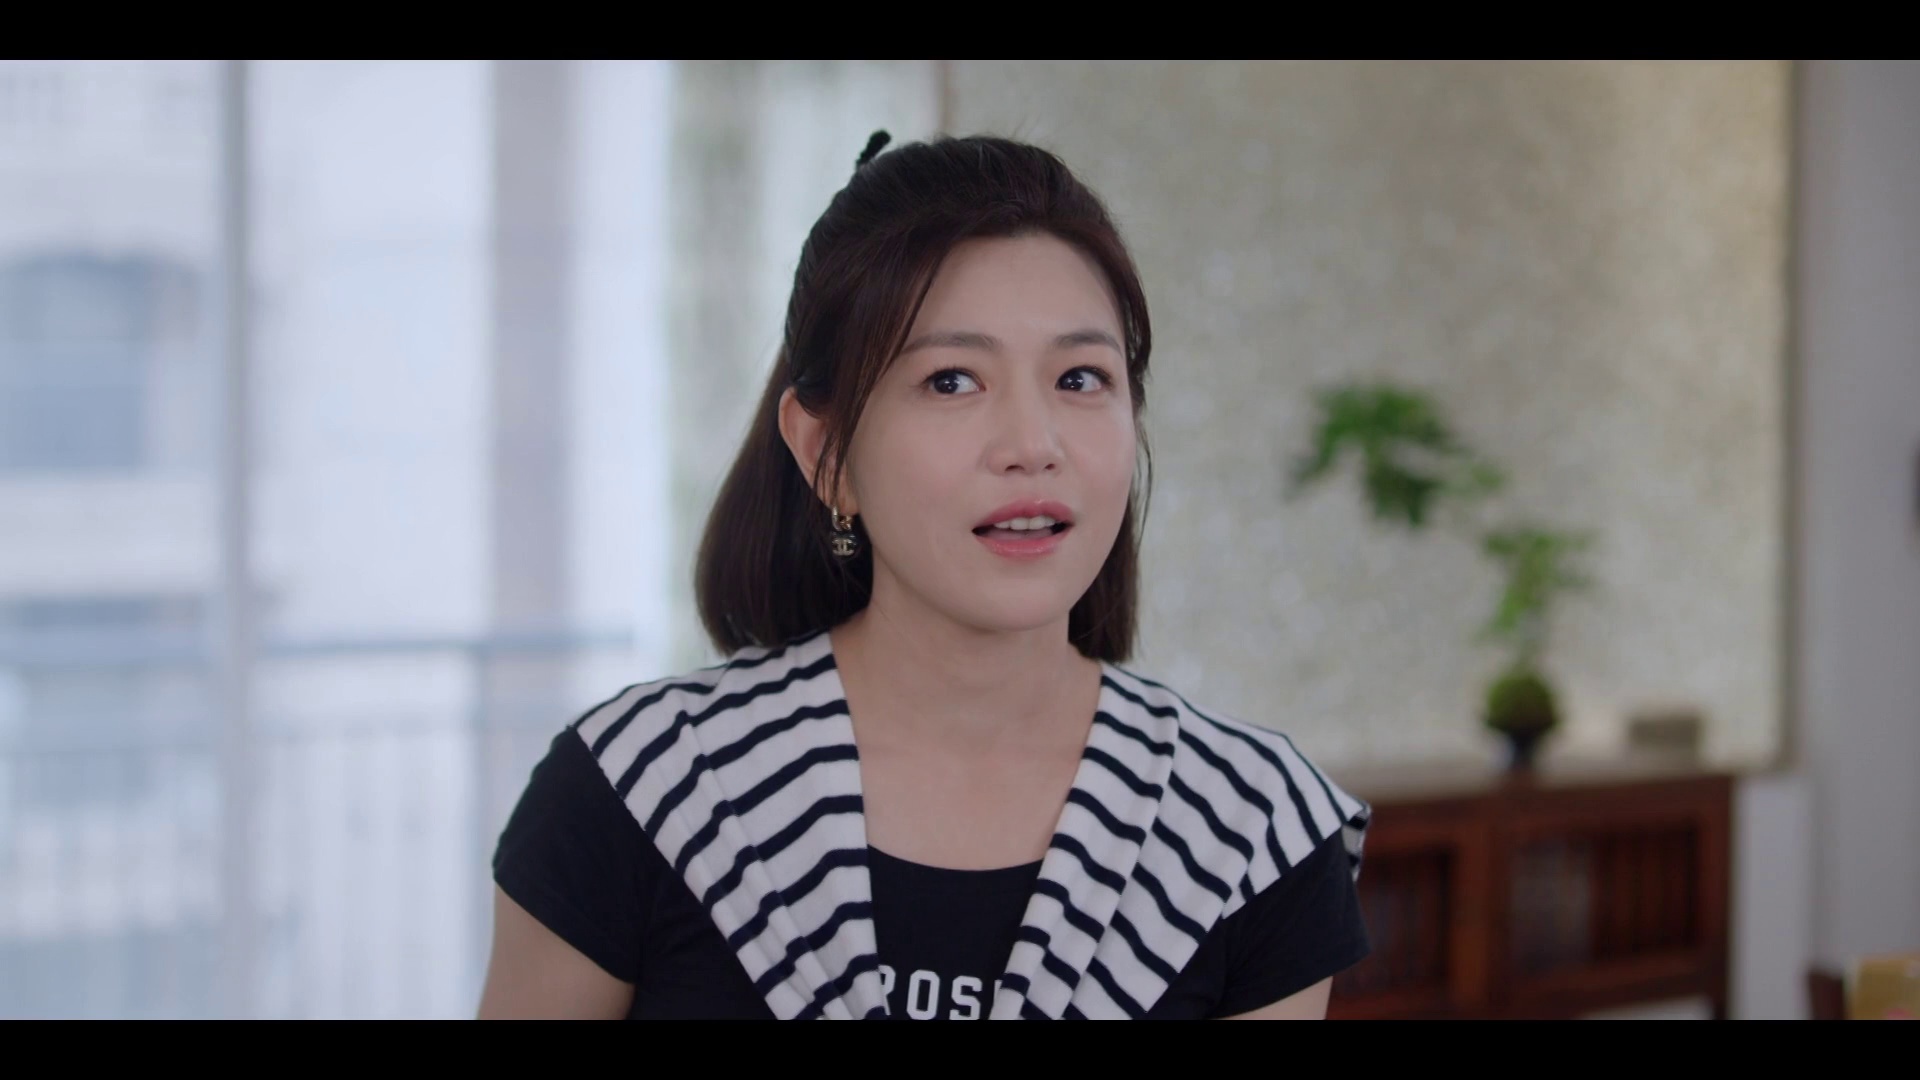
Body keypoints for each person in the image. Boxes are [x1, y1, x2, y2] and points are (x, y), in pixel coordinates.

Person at [479, 131, 1371, 1020]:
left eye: (1080, 377)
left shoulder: (1247, 832)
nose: (1032, 445)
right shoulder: (645, 789)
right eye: (951, 381)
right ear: (825, 454)